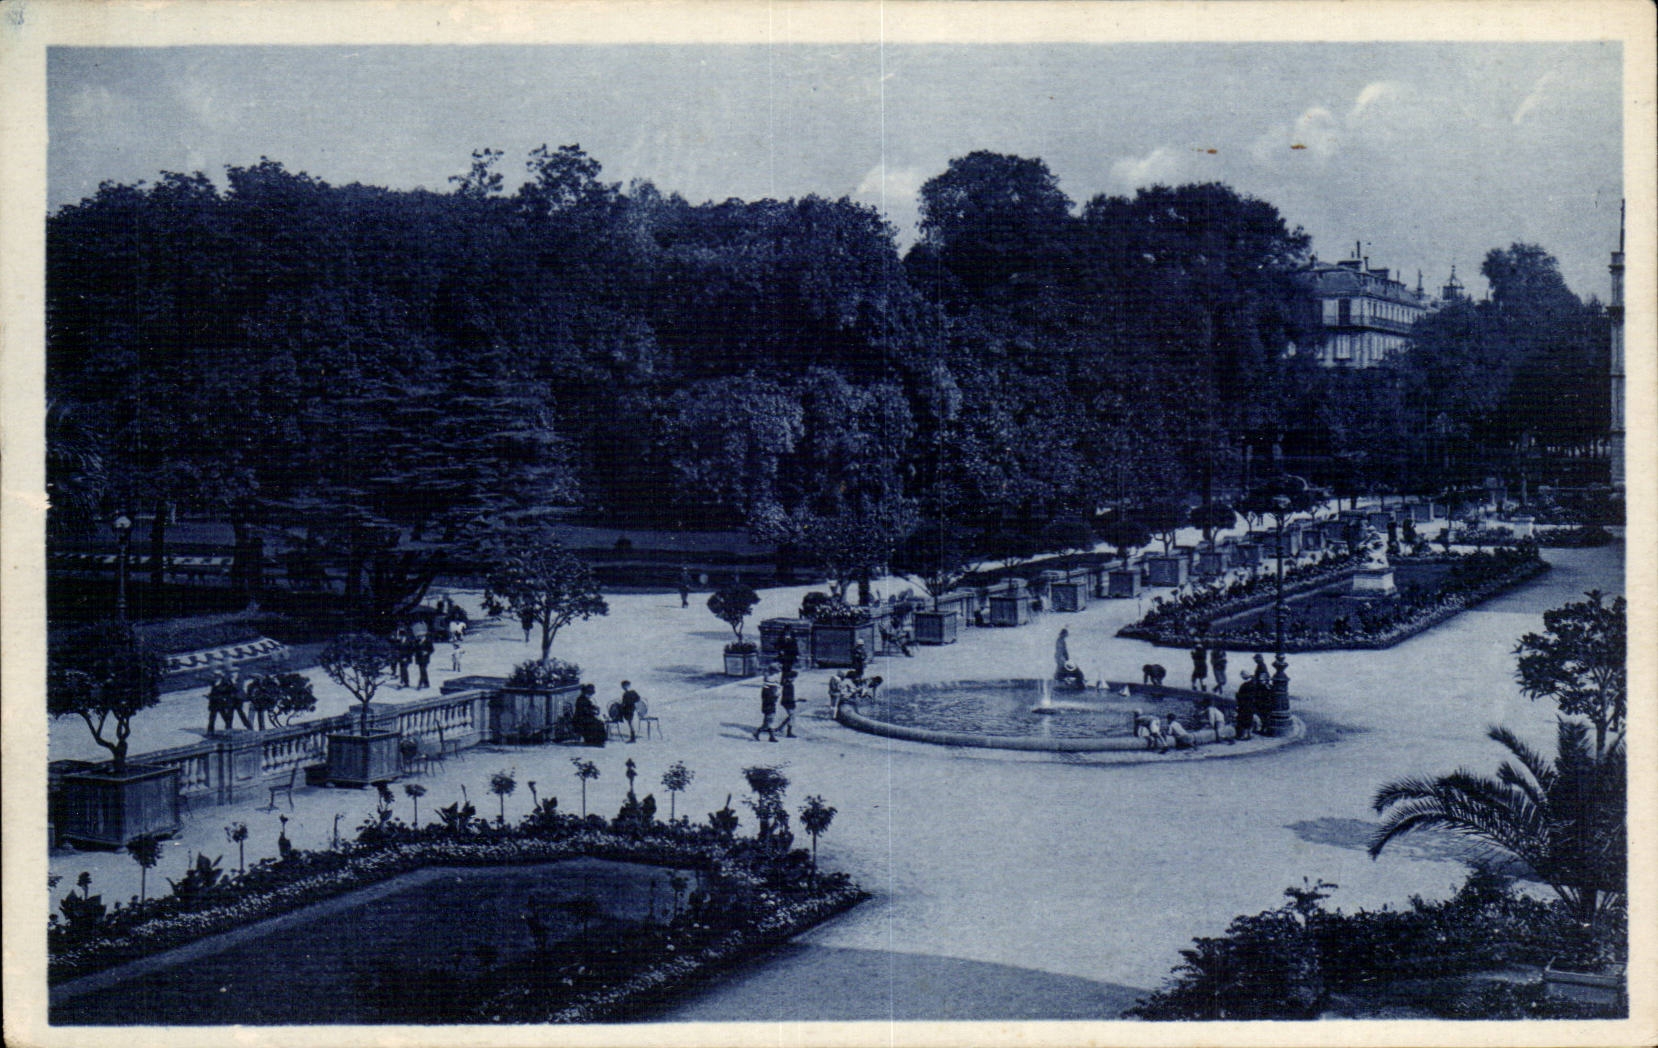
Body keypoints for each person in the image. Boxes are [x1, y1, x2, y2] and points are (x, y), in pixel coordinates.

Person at [777, 671, 798, 737]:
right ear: (791, 677)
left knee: (791, 716)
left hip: (787, 702)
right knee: (792, 716)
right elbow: (788, 696)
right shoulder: (789, 685)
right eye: (794, 678)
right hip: (788, 703)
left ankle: (780, 728)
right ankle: (789, 733)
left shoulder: (787, 683)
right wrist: (795, 700)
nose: (794, 679)